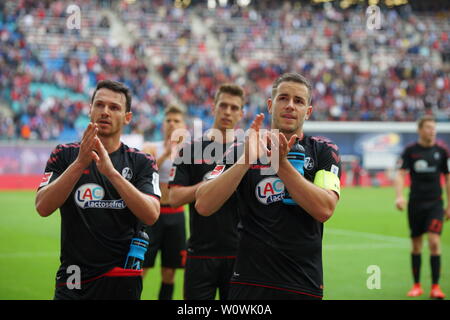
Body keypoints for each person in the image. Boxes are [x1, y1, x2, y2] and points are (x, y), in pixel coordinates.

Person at [195, 73, 341, 300]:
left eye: (299, 101)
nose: (290, 106)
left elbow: (324, 209)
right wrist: (245, 161)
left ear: (308, 111)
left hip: (302, 283)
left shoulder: (323, 151)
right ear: (271, 105)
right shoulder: (242, 148)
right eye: (283, 98)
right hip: (247, 282)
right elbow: (203, 204)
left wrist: (281, 165)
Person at [35, 80, 161, 300]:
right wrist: (78, 165)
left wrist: (112, 173)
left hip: (122, 278)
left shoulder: (142, 161)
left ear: (127, 117)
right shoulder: (64, 154)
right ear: (90, 109)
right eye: (100, 105)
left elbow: (151, 214)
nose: (105, 112)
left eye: (114, 108)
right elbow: (42, 207)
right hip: (73, 279)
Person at [168, 84, 245, 300]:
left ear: (241, 113)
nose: (228, 112)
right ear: (213, 108)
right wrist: (208, 186)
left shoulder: (248, 152)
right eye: (223, 105)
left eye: (234, 107)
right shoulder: (190, 150)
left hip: (239, 254)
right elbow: (174, 198)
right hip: (200, 253)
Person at [394, 115, 450, 299]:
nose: (432, 130)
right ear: (420, 130)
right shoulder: (410, 151)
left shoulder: (442, 151)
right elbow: (401, 174)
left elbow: (448, 178)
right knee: (416, 245)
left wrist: (449, 204)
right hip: (415, 204)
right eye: (428, 127)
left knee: (434, 242)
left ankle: (435, 287)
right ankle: (417, 285)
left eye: (434, 127)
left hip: (435, 204)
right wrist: (400, 196)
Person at [141, 105, 187, 300]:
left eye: (176, 121)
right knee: (142, 268)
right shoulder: (152, 147)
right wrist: (166, 153)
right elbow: (144, 171)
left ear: (183, 125)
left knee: (169, 272)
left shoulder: (190, 150)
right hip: (153, 214)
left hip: (176, 215)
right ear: (163, 124)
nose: (172, 124)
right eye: (168, 120)